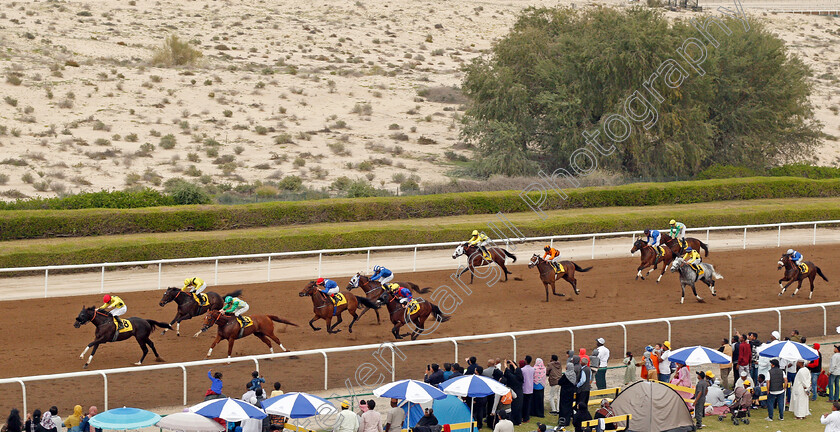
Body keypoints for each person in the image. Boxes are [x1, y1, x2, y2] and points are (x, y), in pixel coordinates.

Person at [503, 359, 524, 425]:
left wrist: (505, 365)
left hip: (512, 394)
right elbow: (518, 371)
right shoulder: (520, 377)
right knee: (519, 408)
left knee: (513, 408)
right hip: (520, 394)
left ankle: (513, 420)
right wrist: (513, 364)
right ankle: (518, 421)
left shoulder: (512, 377)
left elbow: (507, 372)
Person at [558, 361, 577, 428]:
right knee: (569, 406)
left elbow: (559, 382)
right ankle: (567, 421)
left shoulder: (566, 375)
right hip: (570, 393)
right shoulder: (574, 374)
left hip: (564, 393)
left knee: (563, 406)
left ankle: (562, 420)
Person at [521, 356, 534, 422]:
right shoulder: (532, 369)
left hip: (524, 389)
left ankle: (524, 417)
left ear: (525, 360)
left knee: (524, 404)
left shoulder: (523, 369)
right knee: (528, 404)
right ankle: (527, 417)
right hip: (530, 389)